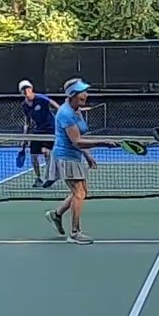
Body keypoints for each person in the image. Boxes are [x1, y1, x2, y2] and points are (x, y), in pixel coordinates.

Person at [43, 78, 115, 245]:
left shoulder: (77, 109)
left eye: (85, 91)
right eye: (82, 92)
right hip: (65, 157)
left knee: (82, 191)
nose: (86, 94)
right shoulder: (66, 113)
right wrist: (102, 143)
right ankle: (75, 233)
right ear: (73, 95)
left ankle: (56, 214)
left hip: (74, 155)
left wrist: (88, 155)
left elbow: (80, 138)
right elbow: (77, 141)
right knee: (79, 193)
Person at [19, 79, 58, 187]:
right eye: (23, 90)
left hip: (50, 128)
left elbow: (53, 103)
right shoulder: (24, 105)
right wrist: (24, 139)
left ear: (31, 89)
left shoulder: (40, 98)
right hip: (38, 130)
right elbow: (27, 123)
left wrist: (63, 113)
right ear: (21, 92)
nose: (26, 91)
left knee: (45, 152)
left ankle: (51, 176)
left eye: (27, 88)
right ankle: (38, 178)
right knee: (34, 156)